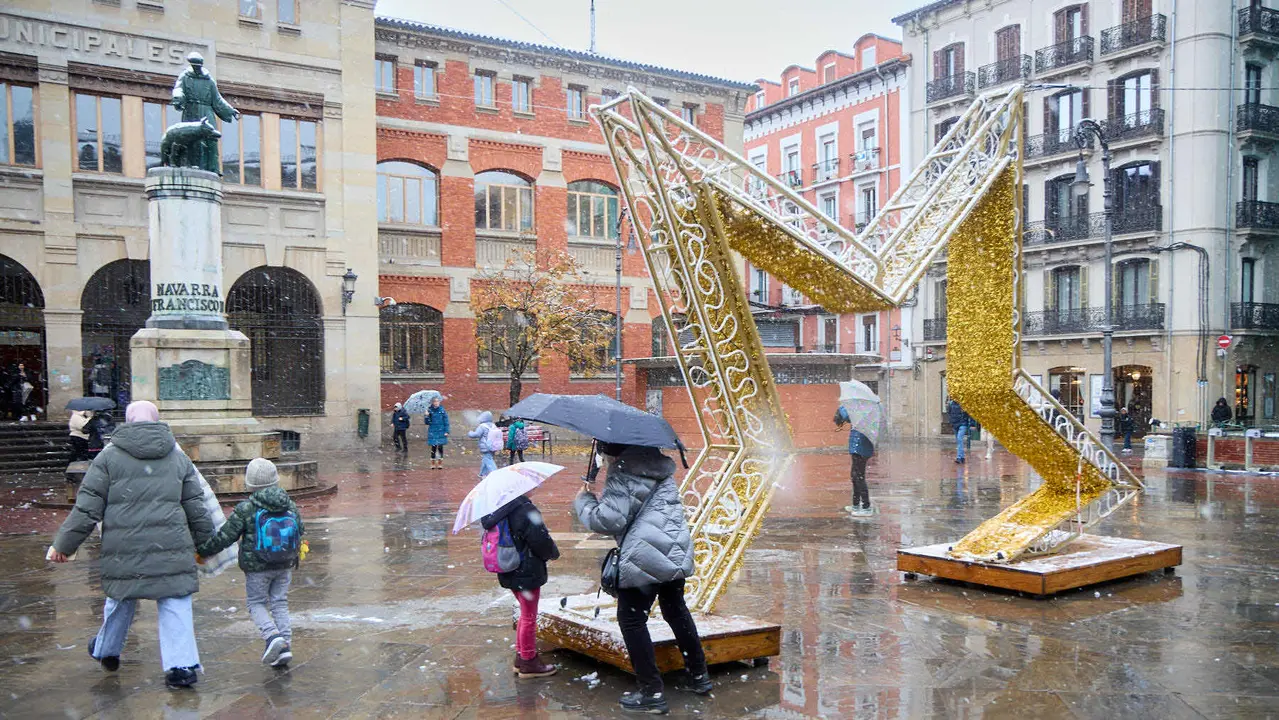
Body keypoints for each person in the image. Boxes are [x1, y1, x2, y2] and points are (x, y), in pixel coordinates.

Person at [48, 400, 214, 689]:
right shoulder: (177, 457)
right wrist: (207, 543)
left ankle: (106, 650)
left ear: (127, 421)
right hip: (171, 546)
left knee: (120, 600)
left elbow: (87, 509)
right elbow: (195, 506)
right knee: (175, 601)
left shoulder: (108, 458)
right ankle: (181, 666)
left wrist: (64, 545)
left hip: (124, 546)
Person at [574, 442, 711, 714]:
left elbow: (609, 520)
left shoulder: (623, 471)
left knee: (632, 619)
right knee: (676, 611)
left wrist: (584, 501)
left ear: (611, 451)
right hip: (674, 549)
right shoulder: (659, 466)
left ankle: (652, 692)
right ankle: (699, 676)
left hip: (644, 555)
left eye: (603, 453)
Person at [197, 458, 304, 668]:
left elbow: (226, 537)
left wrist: (204, 552)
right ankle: (285, 645)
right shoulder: (289, 503)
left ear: (250, 484)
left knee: (256, 603)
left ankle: (273, 637)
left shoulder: (247, 508)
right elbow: (300, 530)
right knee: (279, 602)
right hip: (284, 563)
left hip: (257, 567)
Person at [480, 492, 560, 678]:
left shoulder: (498, 510)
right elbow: (540, 541)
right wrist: (552, 553)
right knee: (529, 616)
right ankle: (528, 661)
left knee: (525, 613)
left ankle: (521, 656)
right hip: (527, 569)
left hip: (508, 568)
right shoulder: (525, 510)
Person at [834, 406, 874, 516]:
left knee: (859, 477)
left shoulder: (863, 411)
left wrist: (842, 407)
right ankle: (856, 504)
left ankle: (866, 507)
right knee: (855, 476)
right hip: (857, 447)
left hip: (861, 448)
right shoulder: (861, 410)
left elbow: (846, 416)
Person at [467, 411, 500, 478]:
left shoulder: (482, 426)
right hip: (493, 445)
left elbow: (476, 434)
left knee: (488, 459)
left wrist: (470, 433)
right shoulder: (493, 425)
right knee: (486, 459)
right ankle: (482, 474)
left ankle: (495, 473)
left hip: (486, 446)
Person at [426, 396, 450, 470]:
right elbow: (427, 422)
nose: (436, 403)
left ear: (439, 402)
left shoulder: (442, 411)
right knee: (433, 448)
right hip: (433, 431)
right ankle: (433, 464)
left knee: (440, 448)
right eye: (435, 402)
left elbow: (446, 422)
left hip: (441, 431)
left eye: (437, 401)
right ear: (432, 403)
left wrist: (447, 431)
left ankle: (440, 463)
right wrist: (426, 416)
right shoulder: (429, 411)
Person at [948, 398, 971, 464]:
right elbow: (949, 413)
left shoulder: (964, 403)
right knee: (959, 441)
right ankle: (962, 457)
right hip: (955, 424)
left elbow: (969, 414)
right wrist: (951, 422)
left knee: (959, 439)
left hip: (962, 424)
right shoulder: (951, 403)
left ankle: (959, 457)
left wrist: (971, 423)